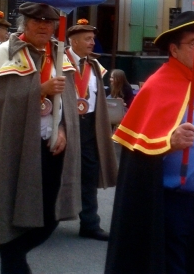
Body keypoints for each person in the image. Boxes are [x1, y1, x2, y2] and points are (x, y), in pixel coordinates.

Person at [107, 11, 194, 274]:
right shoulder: (157, 86)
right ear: (174, 49)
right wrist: (168, 143)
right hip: (170, 205)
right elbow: (136, 153)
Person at [0, 2, 80, 274]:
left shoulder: (60, 52)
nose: (43, 25)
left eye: (48, 21)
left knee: (51, 213)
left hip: (51, 144)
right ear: (24, 24)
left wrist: (63, 128)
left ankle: (15, 253)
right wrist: (39, 89)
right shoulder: (5, 52)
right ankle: (12, 260)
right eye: (36, 20)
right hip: (14, 145)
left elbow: (67, 100)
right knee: (10, 205)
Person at [65, 19, 118, 241]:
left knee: (88, 174)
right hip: (65, 126)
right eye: (87, 39)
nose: (92, 42)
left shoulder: (94, 65)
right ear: (74, 41)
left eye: (92, 38)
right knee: (56, 173)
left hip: (88, 126)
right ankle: (45, 221)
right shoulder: (59, 62)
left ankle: (89, 223)